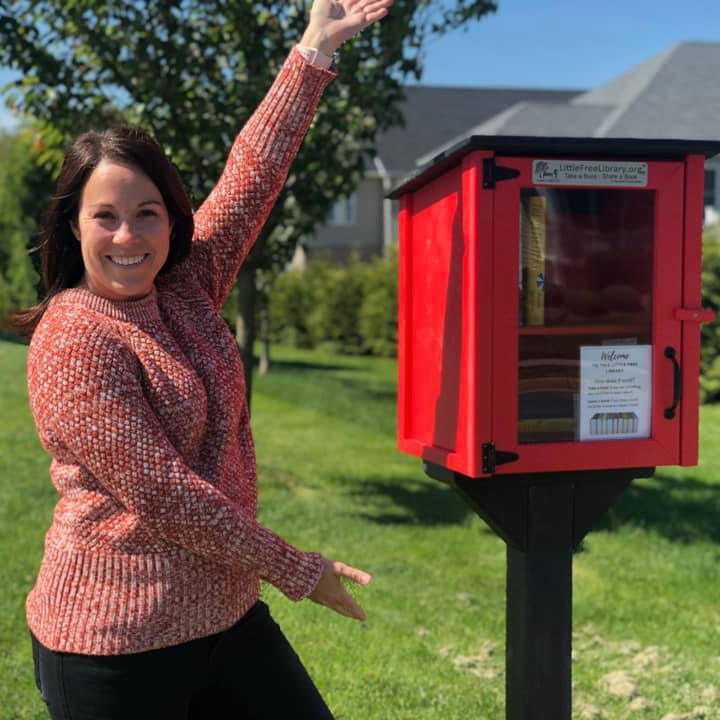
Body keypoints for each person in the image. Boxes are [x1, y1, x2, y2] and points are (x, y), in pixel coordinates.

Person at [9, 0, 392, 716]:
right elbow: (166, 498)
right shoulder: (74, 339)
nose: (129, 235)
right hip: (113, 649)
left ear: (171, 219)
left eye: (147, 212)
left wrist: (312, 51)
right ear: (72, 224)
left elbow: (252, 177)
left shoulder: (185, 284)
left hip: (226, 620)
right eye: (106, 216)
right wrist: (300, 571)